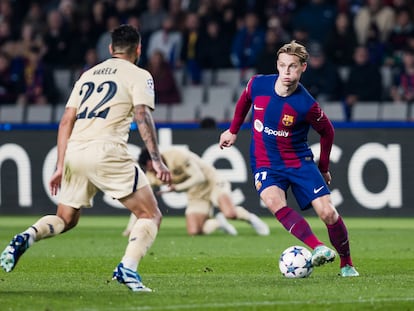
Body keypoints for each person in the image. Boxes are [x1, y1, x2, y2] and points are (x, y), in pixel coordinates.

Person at [0, 24, 171, 292]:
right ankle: (128, 268)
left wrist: (60, 164)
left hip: (75, 152)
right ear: (138, 49)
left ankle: (27, 235)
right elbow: (141, 114)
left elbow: (66, 120)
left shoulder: (87, 75)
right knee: (151, 214)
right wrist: (157, 160)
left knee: (66, 218)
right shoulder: (139, 75)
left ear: (110, 49)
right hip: (108, 150)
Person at [219, 40, 359, 277]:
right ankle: (317, 247)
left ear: (303, 67)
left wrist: (323, 167)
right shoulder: (258, 84)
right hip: (266, 163)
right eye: (282, 65)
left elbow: (328, 131)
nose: (286, 71)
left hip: (298, 161)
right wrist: (233, 130)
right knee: (274, 201)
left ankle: (346, 263)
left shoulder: (306, 104)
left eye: (293, 66)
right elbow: (244, 101)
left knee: (327, 213)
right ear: (277, 64)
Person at [122, 147, 270, 237]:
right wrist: (130, 228)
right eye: (150, 170)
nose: (154, 171)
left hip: (211, 181)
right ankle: (217, 222)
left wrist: (177, 188)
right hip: (195, 192)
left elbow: (199, 177)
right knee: (194, 230)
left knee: (230, 213)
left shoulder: (177, 155)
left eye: (153, 167)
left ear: (157, 158)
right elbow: (142, 202)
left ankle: (251, 219)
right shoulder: (152, 176)